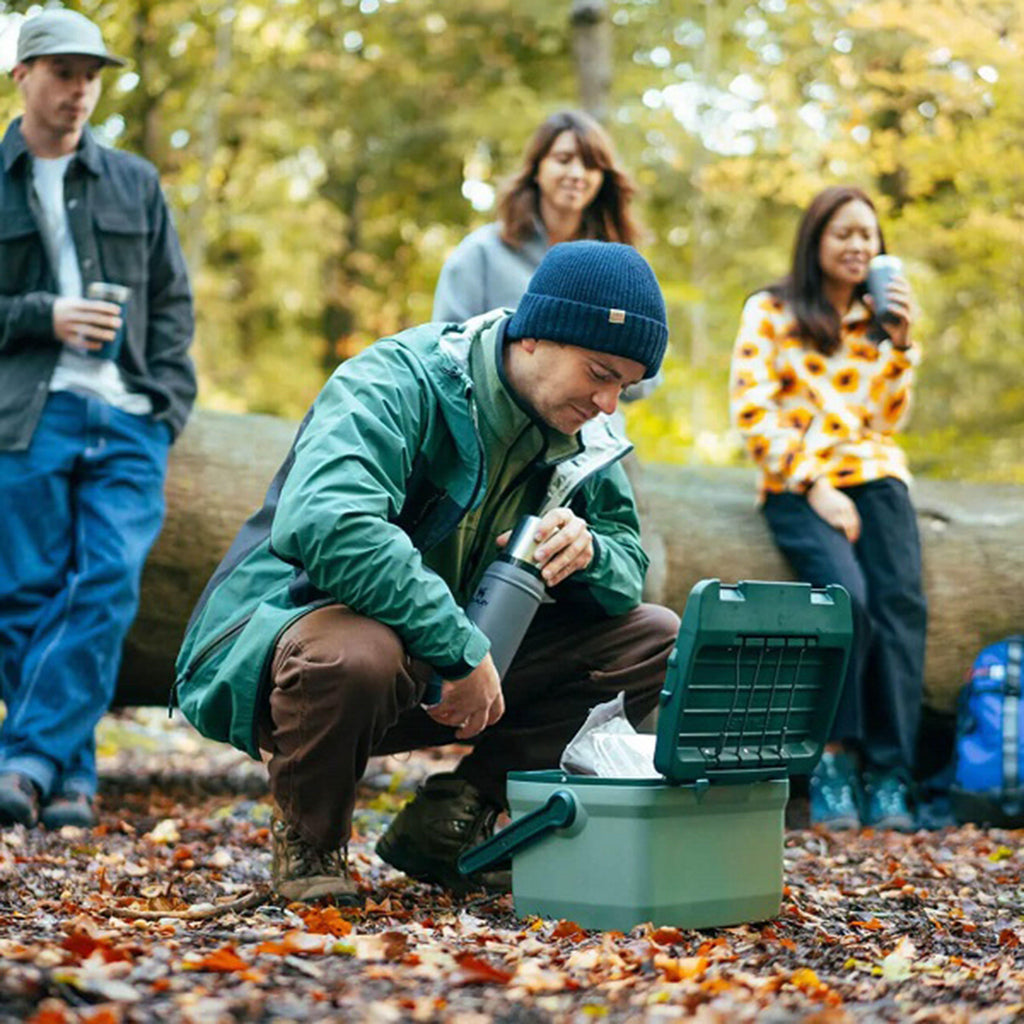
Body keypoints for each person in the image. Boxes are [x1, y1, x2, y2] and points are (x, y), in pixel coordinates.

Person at [175, 241, 679, 902]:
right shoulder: (398, 378)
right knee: (356, 654)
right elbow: (330, 523)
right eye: (599, 373)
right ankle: (310, 842)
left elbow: (628, 569)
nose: (609, 403)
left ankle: (453, 820)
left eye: (624, 385)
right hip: (296, 645)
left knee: (655, 637)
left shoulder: (588, 436)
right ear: (534, 336)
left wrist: (593, 553)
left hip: (458, 670)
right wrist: (460, 647)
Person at [0, 10, 196, 830]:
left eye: (91, 76)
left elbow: (173, 302)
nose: (80, 90)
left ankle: (25, 762)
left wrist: (166, 405)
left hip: (127, 413)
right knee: (23, 590)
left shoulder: (135, 182)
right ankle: (69, 777)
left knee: (107, 581)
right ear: (23, 75)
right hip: (26, 413)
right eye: (63, 73)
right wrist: (43, 315)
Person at [729, 185, 926, 832]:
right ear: (815, 240)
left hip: (875, 474)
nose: (857, 246)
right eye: (844, 233)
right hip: (796, 482)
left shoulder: (876, 322)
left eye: (868, 235)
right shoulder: (770, 310)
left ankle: (891, 773)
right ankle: (833, 762)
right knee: (848, 601)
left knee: (900, 607)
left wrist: (899, 346)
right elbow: (753, 410)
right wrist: (815, 485)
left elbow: (888, 419)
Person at [432, 110, 640, 324]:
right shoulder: (481, 252)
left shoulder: (615, 267)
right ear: (536, 169)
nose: (577, 174)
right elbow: (447, 340)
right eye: (563, 160)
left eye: (590, 165)